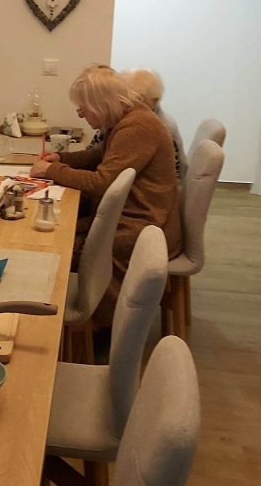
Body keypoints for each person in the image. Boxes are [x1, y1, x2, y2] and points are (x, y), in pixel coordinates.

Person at [31, 64, 182, 327]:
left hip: (141, 227)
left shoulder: (136, 128)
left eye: (83, 109)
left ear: (101, 104)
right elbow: (99, 156)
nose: (81, 115)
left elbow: (101, 183)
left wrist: (52, 171)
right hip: (138, 218)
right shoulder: (129, 118)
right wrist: (63, 159)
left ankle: (78, 322)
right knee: (60, 228)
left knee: (55, 246)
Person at [119, 67, 186, 181]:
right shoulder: (124, 117)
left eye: (136, 101)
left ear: (154, 101)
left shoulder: (162, 127)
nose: (126, 105)